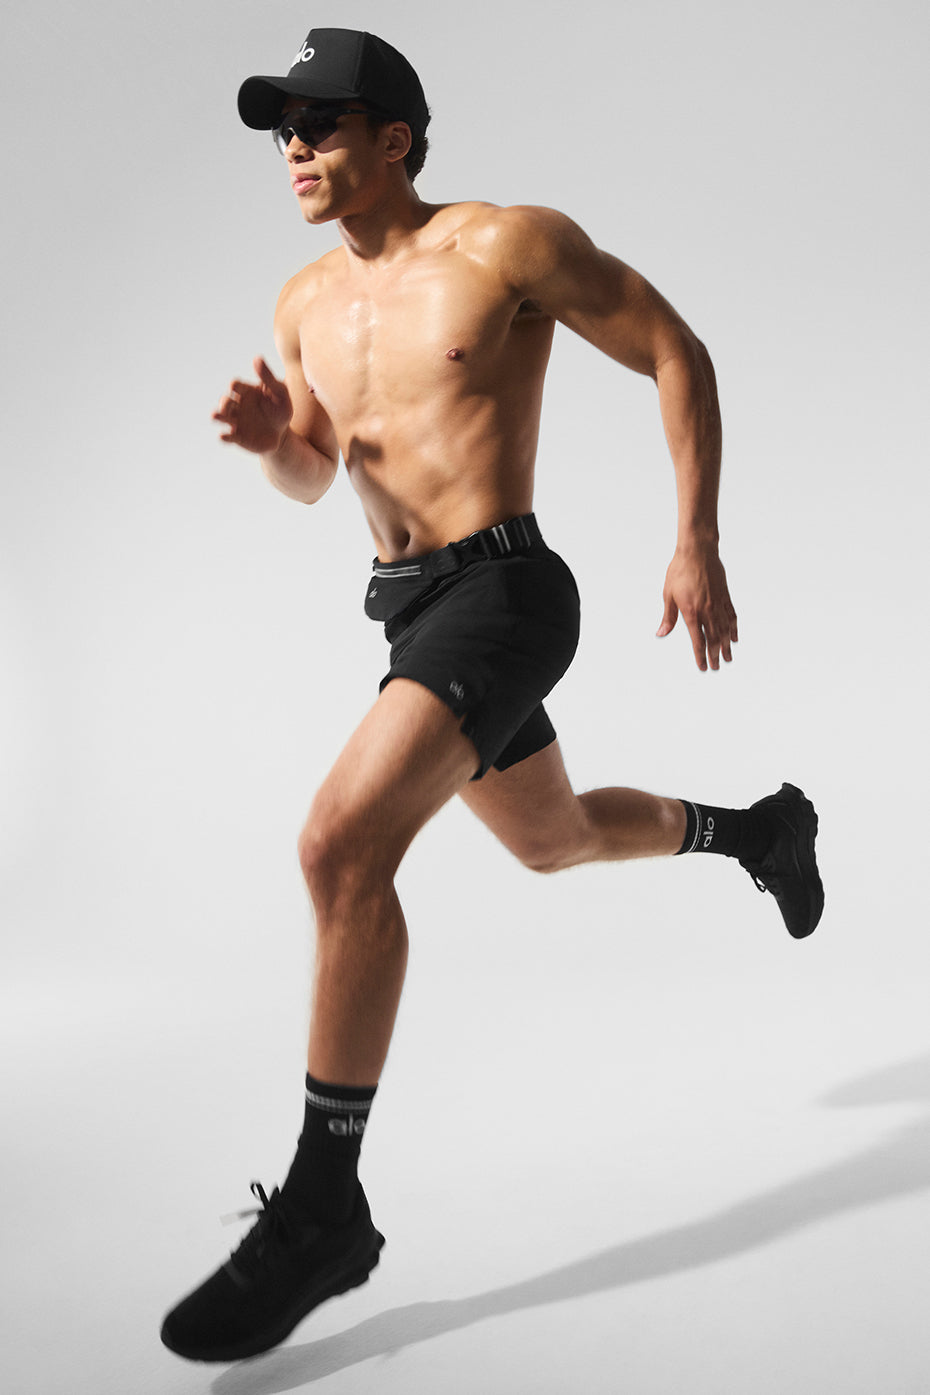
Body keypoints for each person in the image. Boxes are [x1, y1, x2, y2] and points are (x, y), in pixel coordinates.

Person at [160, 26, 824, 1363]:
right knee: (552, 839)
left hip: (508, 591)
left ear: (395, 138)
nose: (295, 147)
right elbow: (314, 475)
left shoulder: (503, 246)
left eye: (320, 123)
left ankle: (324, 1202)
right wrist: (273, 445)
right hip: (412, 609)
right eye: (283, 128)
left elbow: (675, 348)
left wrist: (693, 538)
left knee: (339, 845)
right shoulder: (303, 302)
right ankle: (758, 831)